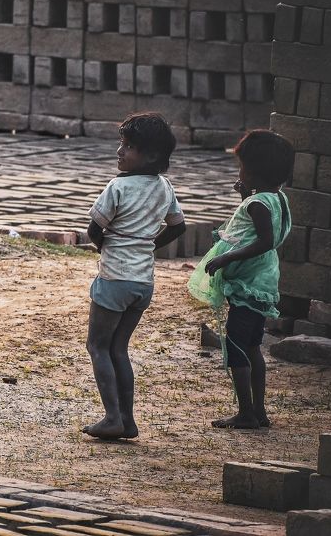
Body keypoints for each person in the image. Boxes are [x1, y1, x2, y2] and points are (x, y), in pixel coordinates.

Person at [83, 112, 186, 439]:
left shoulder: (118, 186)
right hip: (143, 283)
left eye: (128, 146)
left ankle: (112, 418)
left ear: (151, 155)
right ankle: (127, 420)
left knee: (97, 346)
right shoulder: (164, 187)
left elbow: (94, 229)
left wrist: (106, 247)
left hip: (115, 279)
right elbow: (178, 226)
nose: (120, 151)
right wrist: (148, 245)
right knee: (119, 349)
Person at [188, 130, 293, 430]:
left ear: (255, 171)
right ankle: (259, 411)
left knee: (235, 345)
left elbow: (264, 241)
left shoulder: (258, 203)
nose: (239, 171)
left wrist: (226, 258)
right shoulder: (276, 198)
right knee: (252, 347)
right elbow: (260, 228)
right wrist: (246, 196)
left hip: (249, 284)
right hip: (262, 283)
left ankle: (246, 413)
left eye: (242, 166)